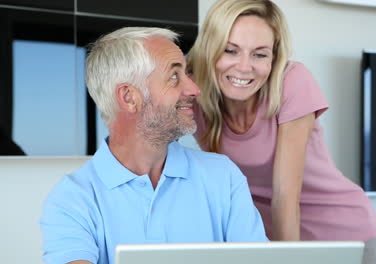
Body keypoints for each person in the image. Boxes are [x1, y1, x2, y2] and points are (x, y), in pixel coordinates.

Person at [40, 27, 267, 264]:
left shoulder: (224, 177)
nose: (193, 89)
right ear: (129, 97)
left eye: (187, 74)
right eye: (174, 76)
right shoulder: (73, 199)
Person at [186, 0, 376, 263]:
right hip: (272, 240)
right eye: (230, 50)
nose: (245, 66)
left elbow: (284, 197)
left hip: (345, 237)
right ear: (209, 49)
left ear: (274, 58)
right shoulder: (192, 91)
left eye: (260, 54)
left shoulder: (291, 82)